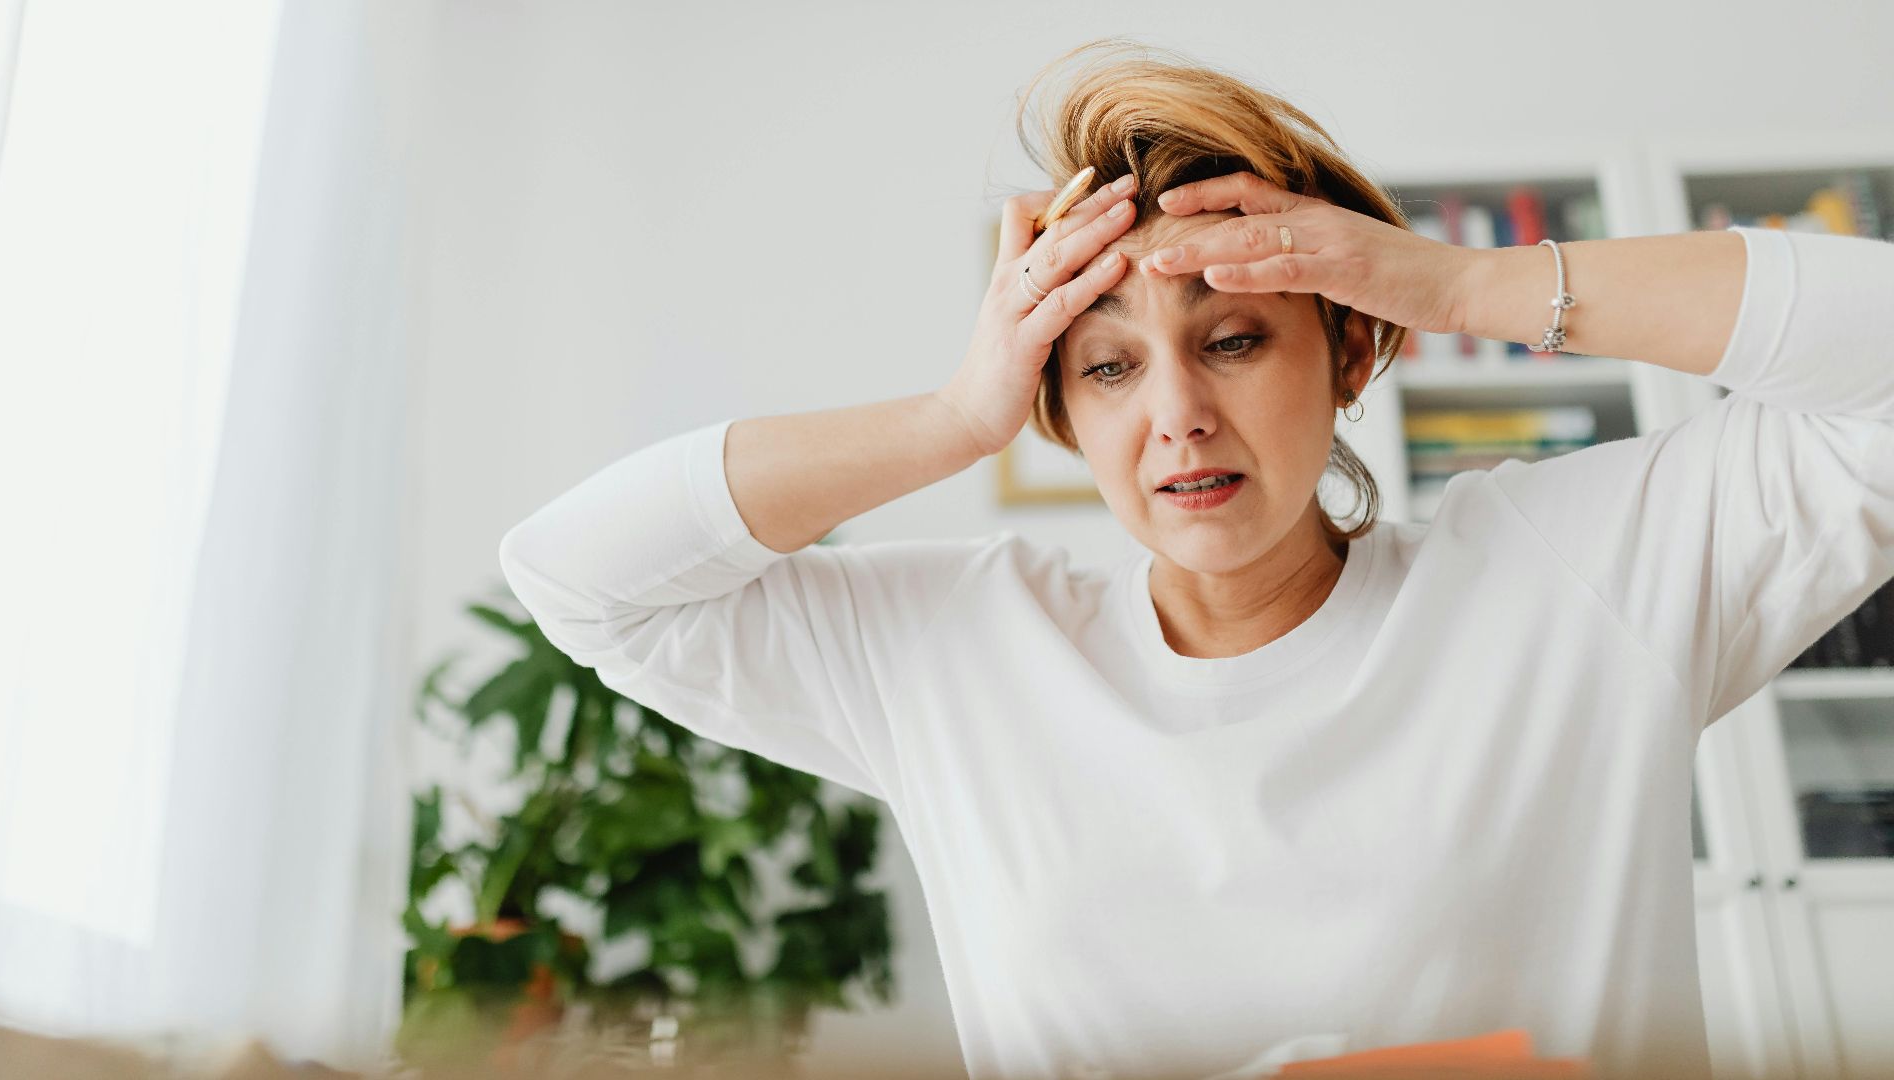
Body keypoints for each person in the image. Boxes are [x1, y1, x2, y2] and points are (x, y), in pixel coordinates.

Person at [497, 39, 1894, 1080]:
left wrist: (1455, 284)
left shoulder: (1573, 581)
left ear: (1345, 345)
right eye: (1104, 368)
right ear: (1059, 410)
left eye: (1233, 338)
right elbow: (576, 575)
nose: (1178, 415)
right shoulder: (955, 652)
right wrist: (953, 418)